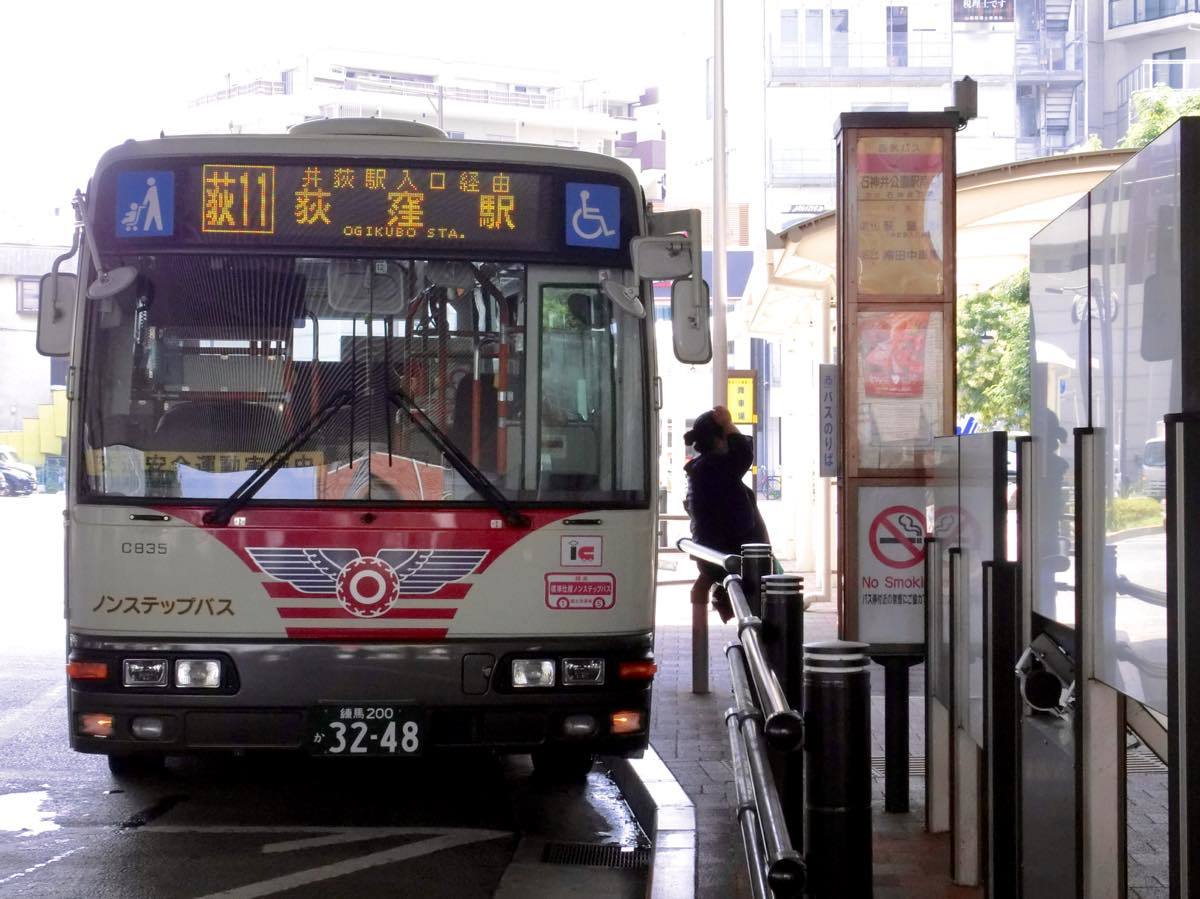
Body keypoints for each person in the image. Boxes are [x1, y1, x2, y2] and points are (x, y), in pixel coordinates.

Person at [683, 405, 769, 621]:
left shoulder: (703, 469)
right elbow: (743, 454)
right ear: (719, 440)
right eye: (727, 436)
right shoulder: (715, 467)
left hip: (718, 553)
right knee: (761, 614)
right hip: (731, 556)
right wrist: (729, 423)